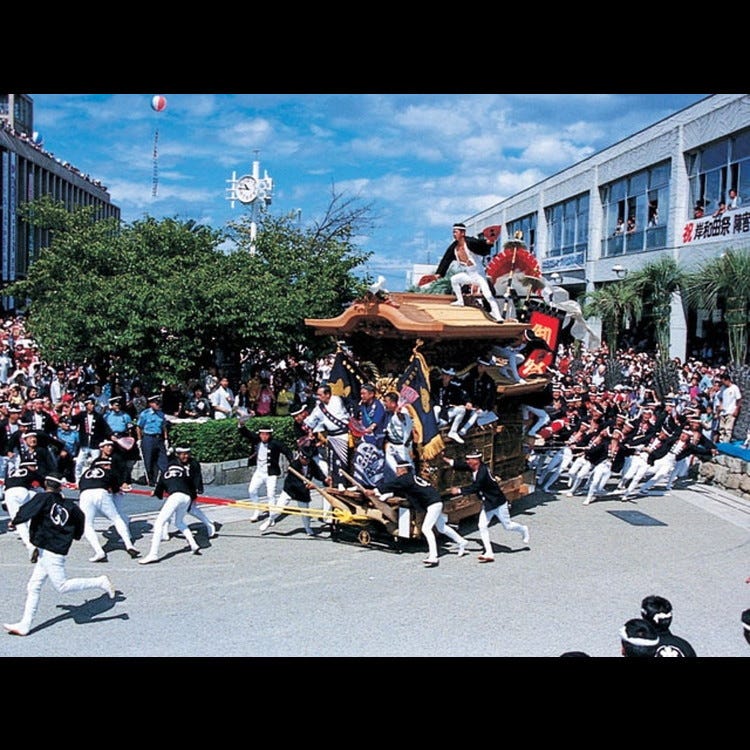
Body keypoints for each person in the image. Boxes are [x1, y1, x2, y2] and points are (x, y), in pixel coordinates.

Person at [3, 473, 116, 637]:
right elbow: (80, 519)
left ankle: (100, 582)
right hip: (51, 548)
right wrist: (74, 535)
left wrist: (15, 521)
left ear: (46, 484)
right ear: (60, 487)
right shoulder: (69, 505)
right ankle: (25, 625)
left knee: (62, 586)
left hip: (50, 550)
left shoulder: (43, 498)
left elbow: (27, 510)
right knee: (33, 585)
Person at [369, 458, 470, 567]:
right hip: (435, 501)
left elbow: (391, 485)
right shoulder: (412, 478)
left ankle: (433, 556)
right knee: (441, 527)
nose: (396, 472)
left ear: (403, 470)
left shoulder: (405, 478)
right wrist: (383, 495)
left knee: (426, 529)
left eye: (398, 469)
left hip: (432, 504)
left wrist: (374, 491)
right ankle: (461, 541)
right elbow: (399, 490)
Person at [443, 450, 529, 563]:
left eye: (469, 459)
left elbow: (475, 487)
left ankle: (523, 529)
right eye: (467, 459)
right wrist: (445, 459)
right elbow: (461, 465)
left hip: (498, 503)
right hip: (488, 503)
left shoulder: (482, 472)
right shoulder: (474, 467)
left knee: (507, 526)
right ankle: (489, 552)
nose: (467, 461)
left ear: (476, 460)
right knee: (482, 526)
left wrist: (459, 490)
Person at [421, 222, 503, 322]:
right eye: (453, 232)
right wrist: (439, 274)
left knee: (488, 295)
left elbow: (481, 244)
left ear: (462, 233)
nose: (454, 234)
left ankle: (498, 316)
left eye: (455, 232)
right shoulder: (453, 248)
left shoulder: (470, 242)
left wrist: (489, 243)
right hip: (469, 275)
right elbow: (445, 260)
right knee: (454, 279)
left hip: (479, 275)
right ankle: (460, 301)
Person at [138, 446, 203, 564]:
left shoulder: (165, 471)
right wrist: (193, 498)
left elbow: (160, 487)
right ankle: (193, 544)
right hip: (186, 497)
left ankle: (153, 554)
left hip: (175, 496)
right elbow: (191, 485)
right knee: (179, 522)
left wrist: (156, 493)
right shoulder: (183, 471)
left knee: (158, 523)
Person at [78, 440, 140, 562]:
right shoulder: (108, 472)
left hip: (85, 494)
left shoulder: (87, 472)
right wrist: (121, 488)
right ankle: (129, 544)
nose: (108, 467)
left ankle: (99, 551)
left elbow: (80, 484)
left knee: (87, 524)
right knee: (116, 517)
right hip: (102, 492)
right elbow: (116, 486)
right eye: (106, 465)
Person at [259, 446, 328, 536]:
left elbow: (317, 473)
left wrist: (324, 479)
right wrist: (306, 486)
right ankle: (270, 520)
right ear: (301, 457)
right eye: (305, 459)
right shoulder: (294, 465)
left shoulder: (311, 463)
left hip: (303, 493)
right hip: (290, 489)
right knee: (278, 509)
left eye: (308, 460)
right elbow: (294, 482)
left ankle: (308, 528)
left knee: (305, 512)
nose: (306, 462)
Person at [238, 425, 294, 522]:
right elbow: (246, 433)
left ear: (270, 435)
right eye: (262, 434)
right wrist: (241, 425)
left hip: (271, 473)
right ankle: (256, 511)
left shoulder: (275, 443)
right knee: (252, 490)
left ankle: (272, 517)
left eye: (266, 434)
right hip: (259, 472)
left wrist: (292, 463)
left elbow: (287, 451)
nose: (264, 436)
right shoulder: (256, 441)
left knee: (270, 495)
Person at [304, 383, 352, 488]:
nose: (318, 397)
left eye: (320, 395)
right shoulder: (320, 407)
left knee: (341, 459)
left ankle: (342, 483)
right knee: (331, 460)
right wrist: (307, 426)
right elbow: (311, 420)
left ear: (327, 394)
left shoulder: (337, 401)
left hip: (341, 434)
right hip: (330, 436)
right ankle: (334, 482)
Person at [2, 459, 44, 559]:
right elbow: (42, 481)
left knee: (18, 521)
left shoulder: (12, 472)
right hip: (22, 491)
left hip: (9, 493)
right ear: (27, 466)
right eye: (32, 465)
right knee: (27, 516)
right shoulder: (29, 472)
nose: (34, 468)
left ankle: (30, 545)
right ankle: (34, 539)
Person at [71, 394, 112, 483]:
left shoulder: (98, 417)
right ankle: (78, 480)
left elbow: (105, 428)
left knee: (96, 463)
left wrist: (111, 435)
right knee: (79, 463)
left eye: (93, 404)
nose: (92, 406)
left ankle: (95, 480)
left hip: (95, 444)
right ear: (86, 406)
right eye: (90, 404)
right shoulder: (81, 415)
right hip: (84, 444)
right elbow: (72, 421)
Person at [135, 393, 169, 485]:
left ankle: (165, 479)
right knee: (148, 460)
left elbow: (164, 426)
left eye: (159, 403)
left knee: (163, 460)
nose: (158, 405)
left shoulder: (161, 414)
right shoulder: (145, 414)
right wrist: (139, 440)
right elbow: (138, 427)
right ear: (150, 404)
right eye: (156, 403)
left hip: (159, 438)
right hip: (148, 438)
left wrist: (166, 439)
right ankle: (150, 480)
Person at [433, 367, 470, 444]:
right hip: (434, 417)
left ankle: (453, 431)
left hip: (445, 415)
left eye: (449, 376)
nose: (447, 377)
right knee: (436, 408)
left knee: (462, 409)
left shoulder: (452, 387)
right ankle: (434, 429)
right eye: (446, 375)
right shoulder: (435, 385)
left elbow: (462, 395)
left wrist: (467, 402)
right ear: (442, 375)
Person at [382, 391, 415, 477]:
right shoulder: (387, 411)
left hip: (402, 446)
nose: (384, 403)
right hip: (391, 445)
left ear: (393, 403)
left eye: (386, 401)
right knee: (390, 467)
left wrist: (398, 413)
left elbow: (404, 420)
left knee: (408, 467)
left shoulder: (403, 411)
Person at [718, 371, 742, 443]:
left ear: (727, 380)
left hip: (731, 411)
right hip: (723, 412)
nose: (723, 383)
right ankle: (721, 442)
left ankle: (726, 443)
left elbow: (739, 399)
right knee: (721, 429)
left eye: (723, 381)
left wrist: (736, 410)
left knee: (728, 429)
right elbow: (721, 398)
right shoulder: (722, 388)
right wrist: (720, 406)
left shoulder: (734, 388)